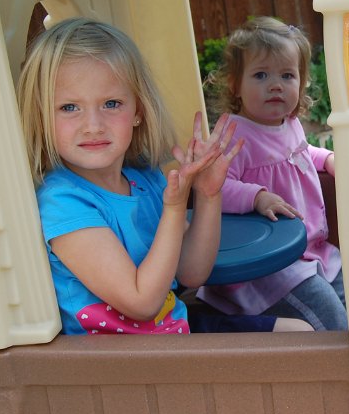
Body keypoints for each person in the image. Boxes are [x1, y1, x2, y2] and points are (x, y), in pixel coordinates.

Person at [17, 17, 311, 334]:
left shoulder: (143, 179)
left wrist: (208, 194)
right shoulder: (63, 202)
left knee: (297, 332)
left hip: (173, 331)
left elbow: (191, 272)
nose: (93, 125)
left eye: (111, 104)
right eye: (69, 107)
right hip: (128, 358)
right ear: (43, 115)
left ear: (138, 112)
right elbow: (141, 302)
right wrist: (173, 208)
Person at [197, 17, 347, 330]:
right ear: (235, 85)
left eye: (287, 75)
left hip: (311, 250)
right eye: (261, 75)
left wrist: (328, 159)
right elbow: (216, 187)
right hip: (270, 265)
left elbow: (300, 153)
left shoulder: (289, 123)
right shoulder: (234, 135)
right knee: (331, 319)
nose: (276, 84)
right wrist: (256, 197)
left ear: (301, 83)